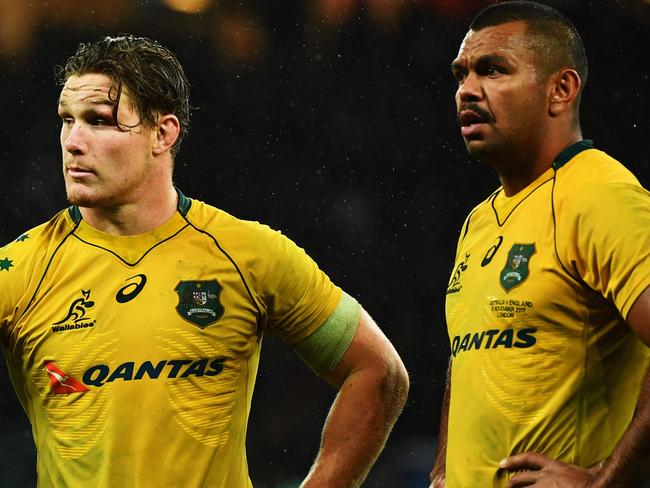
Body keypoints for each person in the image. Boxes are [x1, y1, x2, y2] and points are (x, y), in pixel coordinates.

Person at [0, 35, 409, 488]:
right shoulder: (21, 268)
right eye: (67, 120)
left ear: (163, 133)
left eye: (99, 121)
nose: (73, 142)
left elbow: (378, 372)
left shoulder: (247, 254)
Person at [429, 1, 650, 487]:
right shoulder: (479, 221)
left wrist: (604, 480)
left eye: (493, 70)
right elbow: (469, 351)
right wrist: (446, 466)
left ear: (561, 90)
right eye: (461, 74)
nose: (467, 89)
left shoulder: (601, 195)